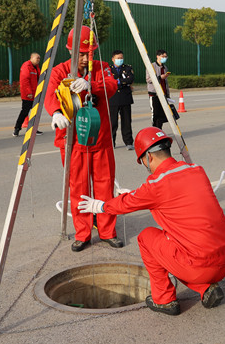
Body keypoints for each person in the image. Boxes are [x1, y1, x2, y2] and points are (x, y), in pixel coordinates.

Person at [78, 127, 225, 316]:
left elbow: (135, 200)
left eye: (143, 162)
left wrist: (100, 207)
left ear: (148, 158)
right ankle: (206, 289)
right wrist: (135, 195)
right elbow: (165, 194)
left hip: (198, 266)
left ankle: (165, 300)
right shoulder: (195, 170)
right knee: (176, 241)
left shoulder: (156, 185)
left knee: (147, 238)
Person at [44, 26, 122, 252]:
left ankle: (107, 230)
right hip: (73, 142)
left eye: (90, 53)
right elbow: (50, 95)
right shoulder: (59, 72)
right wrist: (56, 112)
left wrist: (92, 85)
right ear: (71, 51)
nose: (87, 59)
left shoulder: (102, 68)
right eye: (82, 54)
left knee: (105, 187)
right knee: (78, 189)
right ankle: (83, 232)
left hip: (100, 139)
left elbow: (111, 86)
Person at [108, 50, 134, 149]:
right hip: (113, 98)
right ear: (113, 59)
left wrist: (117, 81)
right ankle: (111, 142)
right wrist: (123, 82)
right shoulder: (108, 69)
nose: (120, 60)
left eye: (121, 58)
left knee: (126, 121)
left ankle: (128, 142)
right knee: (112, 122)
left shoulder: (127, 68)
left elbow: (130, 79)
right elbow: (108, 81)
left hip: (125, 98)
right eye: (118, 58)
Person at [146, 49, 178, 129]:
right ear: (157, 56)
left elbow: (165, 82)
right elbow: (148, 80)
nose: (164, 58)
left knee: (161, 114)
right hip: (154, 94)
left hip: (163, 94)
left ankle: (159, 130)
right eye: (163, 56)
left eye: (166, 56)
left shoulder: (165, 67)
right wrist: (160, 77)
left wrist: (167, 94)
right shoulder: (151, 66)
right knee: (155, 114)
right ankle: (154, 130)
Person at [13, 52, 42, 137]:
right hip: (28, 95)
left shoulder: (36, 67)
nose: (38, 60)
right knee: (24, 112)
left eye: (39, 58)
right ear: (31, 58)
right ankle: (17, 129)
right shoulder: (26, 66)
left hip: (35, 94)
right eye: (37, 58)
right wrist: (29, 93)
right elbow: (24, 81)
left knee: (35, 112)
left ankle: (34, 129)